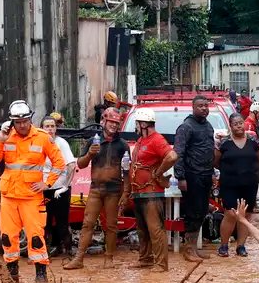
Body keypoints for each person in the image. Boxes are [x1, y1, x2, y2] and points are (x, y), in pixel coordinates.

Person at [0, 100, 65, 283]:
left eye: (25, 121)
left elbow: (59, 163)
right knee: (7, 237)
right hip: (9, 197)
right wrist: (0, 140)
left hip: (31, 197)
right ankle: (12, 276)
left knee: (36, 237)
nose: (22, 125)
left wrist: (47, 183)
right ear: (12, 122)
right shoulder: (6, 137)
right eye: (18, 122)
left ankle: (41, 277)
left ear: (30, 119)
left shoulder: (42, 137)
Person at [66, 109, 125, 269]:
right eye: (111, 122)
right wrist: (90, 154)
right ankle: (79, 259)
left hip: (113, 191)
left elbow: (126, 170)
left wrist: (125, 193)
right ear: (103, 122)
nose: (113, 125)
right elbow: (81, 164)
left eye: (116, 123)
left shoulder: (122, 145)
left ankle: (109, 258)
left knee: (111, 225)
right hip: (96, 189)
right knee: (88, 223)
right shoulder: (93, 141)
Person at [127, 107, 177, 271]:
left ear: (142, 124)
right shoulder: (141, 140)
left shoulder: (156, 140)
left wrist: (159, 171)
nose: (135, 126)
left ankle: (161, 264)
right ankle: (145, 259)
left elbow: (172, 156)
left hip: (152, 192)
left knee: (155, 229)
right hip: (139, 192)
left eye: (137, 123)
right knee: (142, 229)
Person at [171, 96, 217, 262]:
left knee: (202, 210)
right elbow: (178, 153)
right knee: (192, 211)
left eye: (206, 105)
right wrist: (181, 177)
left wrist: (212, 172)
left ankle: (194, 248)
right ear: (193, 107)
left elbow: (210, 151)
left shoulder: (208, 126)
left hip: (205, 174)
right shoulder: (186, 127)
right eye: (200, 106)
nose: (204, 108)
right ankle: (188, 249)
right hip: (191, 175)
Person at [216, 113, 259, 257]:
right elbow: (216, 161)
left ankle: (241, 246)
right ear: (230, 126)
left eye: (240, 123)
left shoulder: (253, 140)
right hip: (229, 184)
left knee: (245, 215)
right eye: (235, 123)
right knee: (231, 214)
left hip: (250, 183)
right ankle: (224, 245)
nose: (239, 126)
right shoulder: (223, 142)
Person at [40, 116, 75, 257]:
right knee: (44, 222)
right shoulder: (38, 144)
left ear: (56, 128)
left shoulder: (61, 143)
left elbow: (71, 165)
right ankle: (45, 251)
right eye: (47, 126)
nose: (50, 129)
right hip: (43, 190)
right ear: (41, 128)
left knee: (62, 222)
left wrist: (66, 185)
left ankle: (68, 251)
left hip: (59, 189)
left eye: (52, 126)